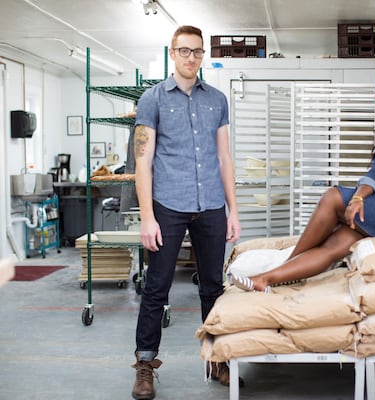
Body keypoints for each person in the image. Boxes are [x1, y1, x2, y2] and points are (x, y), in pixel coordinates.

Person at [229, 86, 375, 293]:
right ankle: (264, 280)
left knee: (333, 196)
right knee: (336, 244)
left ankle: (286, 263)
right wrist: (359, 198)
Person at [131, 25, 241, 400]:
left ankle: (217, 359)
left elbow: (224, 158)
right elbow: (142, 163)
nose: (190, 57)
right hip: (168, 206)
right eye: (184, 51)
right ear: (172, 53)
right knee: (156, 287)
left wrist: (233, 210)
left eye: (196, 51)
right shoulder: (153, 99)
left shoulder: (217, 100)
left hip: (211, 204)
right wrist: (147, 216)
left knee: (213, 287)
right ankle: (145, 363)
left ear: (202, 55)